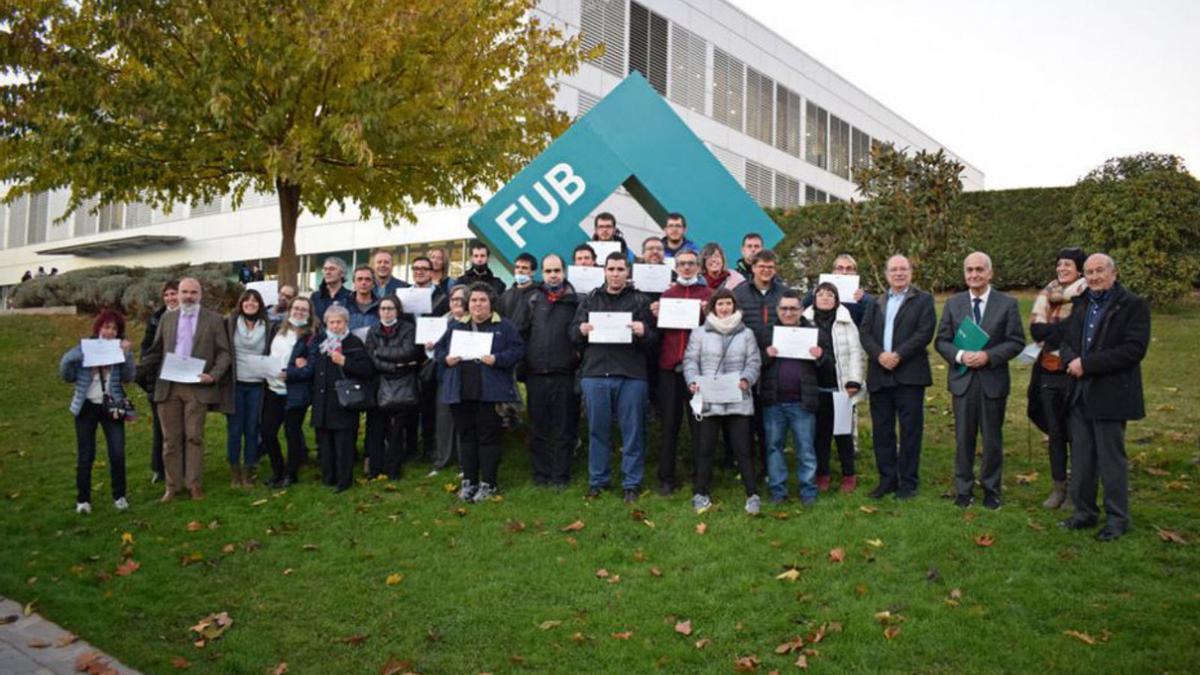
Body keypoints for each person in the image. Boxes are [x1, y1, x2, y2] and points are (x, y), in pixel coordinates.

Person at [1058, 254, 1149, 541]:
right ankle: (1084, 513)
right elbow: (1067, 340)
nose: (1095, 277)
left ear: (1113, 273)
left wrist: (1087, 365)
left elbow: (1133, 350)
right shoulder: (1082, 303)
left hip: (1111, 393)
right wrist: (1071, 359)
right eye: (1089, 272)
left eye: (1099, 271)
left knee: (1111, 461)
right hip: (1079, 393)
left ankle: (1117, 519)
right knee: (1083, 458)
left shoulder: (1133, 305)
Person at [935, 252, 1026, 509]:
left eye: (979, 270)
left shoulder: (1007, 303)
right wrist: (961, 355)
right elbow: (941, 341)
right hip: (962, 381)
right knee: (963, 438)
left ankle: (991, 489)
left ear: (990, 273)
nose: (974, 275)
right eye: (969, 270)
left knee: (992, 439)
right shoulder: (953, 304)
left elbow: (1016, 341)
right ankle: (963, 489)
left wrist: (988, 356)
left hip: (992, 381)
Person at [572, 253, 657, 502]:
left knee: (633, 432)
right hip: (596, 372)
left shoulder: (639, 300)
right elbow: (572, 333)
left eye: (621, 269)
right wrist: (581, 329)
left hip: (631, 375)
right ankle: (598, 480)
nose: (616, 273)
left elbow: (654, 342)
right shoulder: (590, 299)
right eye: (611, 269)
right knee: (598, 430)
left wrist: (644, 332)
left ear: (628, 272)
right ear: (604, 271)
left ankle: (631, 483)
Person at [138, 277, 233, 501]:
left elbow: (224, 353)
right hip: (169, 386)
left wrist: (214, 375)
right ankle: (172, 485)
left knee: (194, 437)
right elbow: (156, 350)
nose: (188, 296)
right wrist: (134, 371)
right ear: (178, 294)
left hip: (197, 386)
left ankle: (194, 484)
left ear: (200, 294)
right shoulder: (167, 319)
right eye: (184, 292)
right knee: (170, 439)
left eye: (193, 292)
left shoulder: (214, 319)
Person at [434, 283, 525, 502]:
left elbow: (518, 350)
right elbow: (439, 350)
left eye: (482, 300)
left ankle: (489, 483)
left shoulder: (504, 326)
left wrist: (498, 359)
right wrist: (445, 359)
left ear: (491, 303)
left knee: (488, 438)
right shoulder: (457, 326)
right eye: (473, 300)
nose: (478, 305)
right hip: (461, 391)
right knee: (466, 437)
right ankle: (469, 481)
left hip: (490, 393)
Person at [858, 255, 936, 500]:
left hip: (909, 375)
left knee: (910, 431)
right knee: (882, 431)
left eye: (903, 269)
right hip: (880, 374)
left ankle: (908, 482)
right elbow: (865, 332)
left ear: (911, 272)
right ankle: (887, 480)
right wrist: (879, 354)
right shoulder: (876, 302)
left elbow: (925, 332)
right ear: (886, 274)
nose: (899, 273)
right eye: (894, 269)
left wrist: (898, 355)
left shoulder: (923, 300)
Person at [683, 289, 762, 514]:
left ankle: (752, 495)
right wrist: (693, 382)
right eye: (720, 304)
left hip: (738, 398)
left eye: (728, 304)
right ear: (713, 307)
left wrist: (747, 379)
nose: (725, 308)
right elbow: (690, 361)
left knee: (743, 449)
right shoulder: (699, 333)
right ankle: (700, 493)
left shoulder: (746, 334)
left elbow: (754, 361)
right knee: (705, 448)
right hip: (709, 398)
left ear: (734, 306)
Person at [1027, 247, 1088, 509]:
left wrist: (1052, 332)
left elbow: (1075, 329)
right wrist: (1057, 331)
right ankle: (1058, 487)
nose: (1062, 269)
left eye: (1068, 265)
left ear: (1079, 270)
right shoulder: (1047, 293)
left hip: (1073, 373)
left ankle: (1076, 491)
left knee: (1076, 433)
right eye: (1060, 264)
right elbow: (1035, 330)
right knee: (1055, 432)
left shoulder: (1086, 294)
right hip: (1047, 370)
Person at [60, 310, 136, 513]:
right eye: (106, 327)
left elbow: (129, 376)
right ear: (98, 328)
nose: (109, 332)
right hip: (87, 406)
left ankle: (119, 495)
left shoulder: (119, 350)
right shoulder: (86, 348)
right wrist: (80, 355)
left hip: (112, 405)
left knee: (117, 453)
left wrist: (127, 355)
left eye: (114, 328)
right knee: (86, 455)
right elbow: (66, 372)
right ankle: (83, 499)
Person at [649, 249, 711, 494]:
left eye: (691, 264)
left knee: (700, 426)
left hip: (698, 372)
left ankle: (701, 477)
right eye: (682, 264)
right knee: (669, 425)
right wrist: (655, 316)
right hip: (670, 370)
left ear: (698, 267)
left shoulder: (708, 295)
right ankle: (666, 477)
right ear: (675, 267)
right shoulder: (667, 295)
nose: (687, 268)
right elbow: (658, 335)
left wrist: (709, 314)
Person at [516, 253, 580, 488]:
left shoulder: (575, 301)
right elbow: (521, 332)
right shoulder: (533, 299)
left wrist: (575, 357)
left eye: (557, 271)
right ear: (542, 273)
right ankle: (541, 474)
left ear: (564, 272)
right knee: (539, 428)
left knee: (565, 429)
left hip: (564, 373)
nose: (553, 275)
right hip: (536, 374)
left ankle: (561, 475)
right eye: (548, 271)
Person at [761, 290, 829, 504]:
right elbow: (754, 364)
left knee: (806, 449)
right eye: (784, 308)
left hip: (803, 402)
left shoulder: (814, 332)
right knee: (774, 448)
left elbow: (829, 367)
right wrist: (766, 356)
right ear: (777, 310)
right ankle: (777, 491)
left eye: (793, 308)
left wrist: (821, 356)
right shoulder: (767, 333)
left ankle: (808, 491)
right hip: (774, 402)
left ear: (801, 310)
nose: (788, 312)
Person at [803, 281, 866, 493]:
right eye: (821, 294)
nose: (825, 298)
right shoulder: (805, 322)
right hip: (815, 388)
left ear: (836, 299)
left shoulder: (846, 322)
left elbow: (857, 353)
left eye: (830, 294)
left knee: (843, 434)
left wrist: (854, 381)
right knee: (819, 435)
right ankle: (822, 473)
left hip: (840, 387)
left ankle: (848, 473)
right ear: (814, 298)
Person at [733, 249, 789, 466]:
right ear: (753, 267)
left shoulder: (784, 293)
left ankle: (770, 467)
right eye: (761, 266)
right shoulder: (739, 292)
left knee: (771, 419)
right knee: (746, 419)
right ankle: (745, 465)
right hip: (745, 363)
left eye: (770, 267)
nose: (766, 270)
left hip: (777, 363)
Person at [310, 304, 373, 492]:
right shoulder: (321, 341)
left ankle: (344, 480)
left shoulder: (353, 343)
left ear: (346, 323)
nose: (335, 326)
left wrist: (345, 361)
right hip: (322, 400)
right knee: (325, 444)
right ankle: (328, 476)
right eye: (332, 322)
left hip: (344, 401)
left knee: (343, 444)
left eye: (339, 322)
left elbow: (367, 370)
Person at [261, 296, 320, 487]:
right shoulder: (278, 330)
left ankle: (291, 473)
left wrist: (291, 372)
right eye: (296, 308)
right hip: (273, 389)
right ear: (290, 310)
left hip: (295, 392)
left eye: (304, 310)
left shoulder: (312, 336)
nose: (299, 312)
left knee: (291, 433)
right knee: (268, 432)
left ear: (310, 314)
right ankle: (277, 470)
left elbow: (311, 367)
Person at [366, 296, 423, 479]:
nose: (386, 312)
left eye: (390, 308)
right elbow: (370, 357)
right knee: (376, 428)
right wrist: (394, 365)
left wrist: (381, 352)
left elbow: (408, 352)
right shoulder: (373, 330)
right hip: (379, 382)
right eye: (383, 308)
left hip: (403, 384)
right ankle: (375, 468)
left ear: (397, 310)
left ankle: (394, 469)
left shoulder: (408, 329)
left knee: (397, 431)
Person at [223, 288, 274, 488]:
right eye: (247, 300)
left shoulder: (268, 325)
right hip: (235, 383)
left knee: (253, 428)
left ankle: (249, 468)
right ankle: (235, 469)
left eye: (255, 300)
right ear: (241, 303)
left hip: (257, 384)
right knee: (235, 429)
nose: (250, 303)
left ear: (260, 304)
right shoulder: (230, 322)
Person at [138, 280, 180, 483]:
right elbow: (146, 348)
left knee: (183, 427)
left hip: (183, 378)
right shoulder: (156, 319)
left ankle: (182, 466)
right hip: (159, 379)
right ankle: (160, 468)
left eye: (174, 294)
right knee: (160, 427)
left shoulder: (190, 316)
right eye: (167, 295)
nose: (171, 298)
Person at [429, 285, 469, 473]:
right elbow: (437, 351)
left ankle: (465, 463)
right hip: (446, 376)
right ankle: (441, 461)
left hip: (468, 377)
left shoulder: (473, 321)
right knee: (443, 421)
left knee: (464, 422)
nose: (456, 303)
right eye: (453, 300)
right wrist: (444, 357)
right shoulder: (443, 322)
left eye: (460, 300)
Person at [804, 254, 874, 326]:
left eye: (849, 268)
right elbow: (802, 307)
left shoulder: (861, 298)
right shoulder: (817, 293)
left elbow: (873, 312)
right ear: (833, 272)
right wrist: (813, 294)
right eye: (840, 268)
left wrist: (863, 298)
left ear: (855, 272)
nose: (844, 272)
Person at [498, 252, 540, 323]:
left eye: (524, 268)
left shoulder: (539, 295)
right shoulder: (505, 295)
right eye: (517, 267)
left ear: (533, 272)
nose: (520, 270)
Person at [311, 256, 351, 321]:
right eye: (325, 269)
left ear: (342, 273)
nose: (327, 272)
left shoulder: (351, 296)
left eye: (332, 269)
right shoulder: (315, 297)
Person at [346, 265, 382, 334]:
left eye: (367, 279)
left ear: (373, 284)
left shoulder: (382, 306)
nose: (363, 283)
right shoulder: (344, 305)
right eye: (359, 279)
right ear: (354, 283)